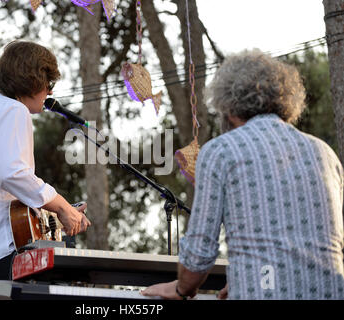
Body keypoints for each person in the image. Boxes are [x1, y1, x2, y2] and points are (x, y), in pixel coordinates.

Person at [141, 49, 344, 300]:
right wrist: (246, 277)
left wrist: (182, 289)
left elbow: (199, 255)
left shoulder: (222, 151)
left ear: (228, 104)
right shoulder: (324, 153)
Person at [0, 40, 91, 300]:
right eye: (48, 83)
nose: (49, 92)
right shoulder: (13, 110)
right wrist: (61, 206)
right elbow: (13, 174)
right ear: (33, 80)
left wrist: (53, 218)